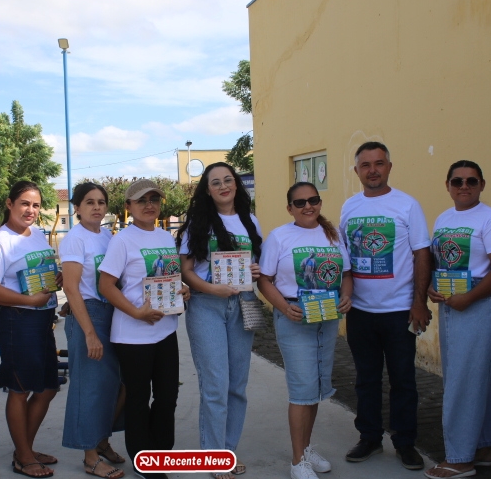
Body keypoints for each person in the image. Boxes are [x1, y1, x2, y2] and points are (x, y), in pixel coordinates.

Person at [339, 142, 431, 470]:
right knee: (366, 379)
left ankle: (405, 442)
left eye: (379, 163)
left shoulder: (408, 205)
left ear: (389, 167)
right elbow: (344, 257)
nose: (373, 170)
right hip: (360, 311)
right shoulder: (349, 207)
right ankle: (369, 437)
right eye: (366, 165)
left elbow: (422, 254)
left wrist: (419, 303)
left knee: (403, 380)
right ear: (357, 171)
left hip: (399, 311)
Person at [423, 161, 491, 478]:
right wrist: (431, 284)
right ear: (447, 185)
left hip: (480, 303)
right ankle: (483, 448)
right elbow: (440, 259)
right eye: (457, 181)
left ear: (482, 185)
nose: (464, 186)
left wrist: (469, 298)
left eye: (471, 181)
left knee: (464, 381)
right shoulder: (444, 218)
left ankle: (459, 458)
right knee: (478, 378)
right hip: (453, 302)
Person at [257, 182, 352, 479]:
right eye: (300, 203)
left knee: (315, 388)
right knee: (301, 390)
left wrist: (347, 295)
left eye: (313, 200)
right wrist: (285, 308)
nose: (307, 206)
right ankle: (298, 460)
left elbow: (346, 273)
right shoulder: (279, 237)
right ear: (290, 208)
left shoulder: (332, 234)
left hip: (327, 317)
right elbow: (264, 280)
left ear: (320, 202)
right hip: (295, 317)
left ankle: (307, 449)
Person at [176, 162, 263, 479]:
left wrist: (255, 270)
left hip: (243, 304)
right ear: (207, 190)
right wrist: (212, 288)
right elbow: (186, 271)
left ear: (236, 184)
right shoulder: (197, 224)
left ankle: (227, 451)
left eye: (228, 180)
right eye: (216, 182)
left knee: (237, 386)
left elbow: (256, 263)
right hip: (206, 306)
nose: (223, 186)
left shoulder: (251, 221)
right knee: (215, 385)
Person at [98, 179, 190, 479]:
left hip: (165, 331)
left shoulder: (165, 237)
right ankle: (144, 460)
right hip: (132, 335)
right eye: (141, 200)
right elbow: (106, 285)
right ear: (128, 206)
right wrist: (136, 312)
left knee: (167, 397)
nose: (149, 205)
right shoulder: (123, 240)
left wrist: (183, 289)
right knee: (138, 399)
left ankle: (161, 453)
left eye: (154, 199)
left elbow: (168, 277)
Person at [0, 181, 62, 479]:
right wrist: (28, 300)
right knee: (20, 388)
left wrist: (56, 278)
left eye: (36, 205)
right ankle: (24, 457)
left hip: (42, 318)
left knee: (48, 387)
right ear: (9, 204)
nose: (31, 210)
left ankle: (24, 447)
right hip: (16, 321)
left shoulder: (37, 234)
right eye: (25, 203)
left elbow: (41, 272)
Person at [60, 182, 125, 479]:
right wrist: (89, 333)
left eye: (101, 202)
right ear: (77, 208)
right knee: (89, 387)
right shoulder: (75, 239)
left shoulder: (107, 236)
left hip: (111, 313)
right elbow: (71, 288)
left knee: (112, 385)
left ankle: (101, 441)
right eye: (89, 202)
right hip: (89, 315)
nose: (96, 207)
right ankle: (89, 457)